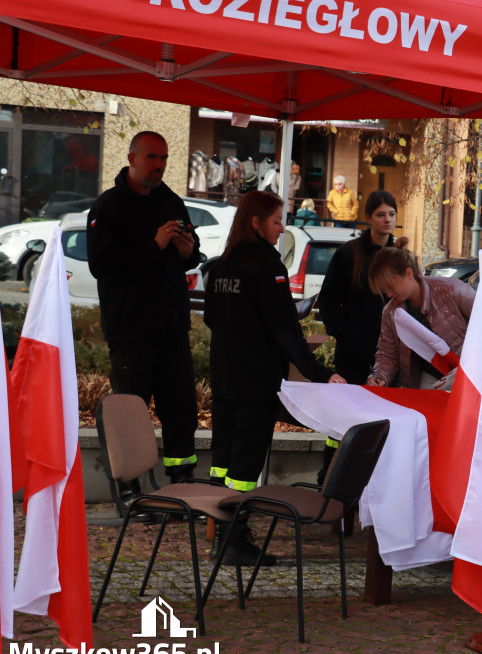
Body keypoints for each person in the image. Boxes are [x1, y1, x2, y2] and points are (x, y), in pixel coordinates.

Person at [204, 191, 344, 565]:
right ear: (256, 221)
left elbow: (211, 320)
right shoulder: (268, 265)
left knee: (223, 459)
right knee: (246, 466)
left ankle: (220, 536)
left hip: (224, 377)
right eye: (278, 220)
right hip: (255, 381)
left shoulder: (220, 266)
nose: (283, 228)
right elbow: (285, 330)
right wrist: (319, 373)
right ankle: (235, 542)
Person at [87, 130, 201, 484]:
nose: (159, 165)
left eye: (164, 158)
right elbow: (103, 266)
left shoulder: (170, 201)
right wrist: (155, 244)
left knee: (181, 410)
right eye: (152, 157)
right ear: (132, 158)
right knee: (131, 413)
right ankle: (129, 487)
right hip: (131, 331)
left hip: (172, 328)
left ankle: (181, 482)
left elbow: (190, 255)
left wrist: (187, 252)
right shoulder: (108, 206)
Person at [315, 190, 397, 480]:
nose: (387, 220)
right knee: (342, 423)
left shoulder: (400, 255)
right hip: (352, 354)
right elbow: (327, 301)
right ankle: (330, 478)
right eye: (380, 214)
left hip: (390, 357)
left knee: (383, 421)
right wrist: (342, 334)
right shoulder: (349, 253)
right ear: (368, 218)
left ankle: (376, 485)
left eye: (391, 214)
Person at [366, 241, 475, 388]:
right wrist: (379, 376)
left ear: (409, 273)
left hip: (468, 373)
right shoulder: (390, 312)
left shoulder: (452, 289)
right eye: (384, 289)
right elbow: (387, 354)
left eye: (391, 287)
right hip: (425, 379)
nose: (389, 294)